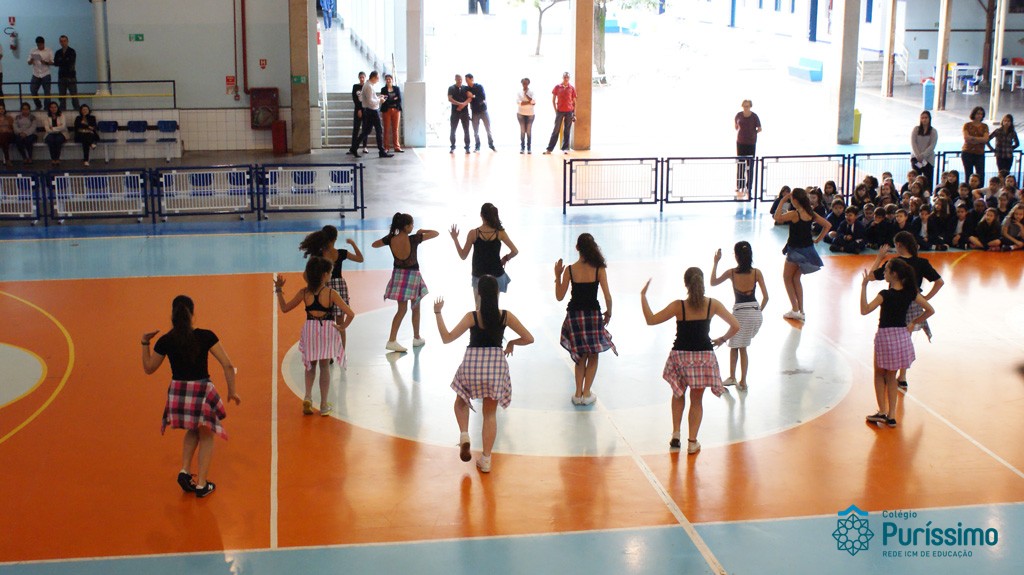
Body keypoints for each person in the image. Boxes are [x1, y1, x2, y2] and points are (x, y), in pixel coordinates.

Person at [141, 295, 240, 498]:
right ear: (193, 314)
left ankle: (185, 471)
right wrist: (232, 391)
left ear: (172, 315)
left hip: (178, 392)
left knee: (193, 429)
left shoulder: (166, 340)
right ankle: (202, 485)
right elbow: (228, 365)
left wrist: (144, 342)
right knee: (207, 435)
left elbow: (149, 368)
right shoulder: (206, 336)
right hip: (200, 391)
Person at [434, 275, 533, 473]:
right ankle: (486, 459)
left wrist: (438, 313)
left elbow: (447, 338)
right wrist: (512, 343)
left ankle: (464, 435)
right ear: (497, 292)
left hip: (472, 364)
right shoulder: (506, 316)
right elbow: (529, 338)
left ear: (479, 293)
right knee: (489, 414)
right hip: (495, 365)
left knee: (461, 400)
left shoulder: (472, 316)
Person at [641, 269, 739, 454]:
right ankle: (692, 442)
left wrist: (643, 297)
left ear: (686, 284)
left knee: (678, 394)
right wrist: (722, 339)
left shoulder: (679, 306)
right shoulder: (713, 304)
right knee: (697, 400)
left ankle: (676, 434)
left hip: (680, 356)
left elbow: (651, 320)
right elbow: (735, 325)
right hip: (704, 357)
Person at [274, 257, 355, 416]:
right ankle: (323, 405)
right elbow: (350, 313)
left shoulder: (304, 292)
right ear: (324, 275)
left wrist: (278, 290)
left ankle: (308, 397)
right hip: (327, 330)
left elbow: (284, 308)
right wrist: (342, 327)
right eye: (330, 273)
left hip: (310, 329)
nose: (331, 275)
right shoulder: (331, 293)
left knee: (310, 366)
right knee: (324, 367)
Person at [861, 259, 935, 428]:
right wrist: (914, 322)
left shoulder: (885, 295)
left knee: (879, 374)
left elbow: (864, 310)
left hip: (885, 336)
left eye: (886, 270)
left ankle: (882, 411)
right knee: (891, 376)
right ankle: (892, 415)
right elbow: (930, 310)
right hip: (902, 336)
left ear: (894, 274)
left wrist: (864, 286)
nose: (884, 273)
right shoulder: (910, 293)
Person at [868, 233, 944, 391]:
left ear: (899, 245)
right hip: (913, 303)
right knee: (905, 340)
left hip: (894, 303)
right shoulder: (922, 262)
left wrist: (879, 257)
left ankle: (890, 373)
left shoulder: (894, 264)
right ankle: (902, 376)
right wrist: (925, 298)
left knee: (890, 337)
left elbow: (871, 276)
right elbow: (939, 282)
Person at [554, 233, 616, 405]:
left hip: (574, 316)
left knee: (580, 356)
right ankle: (587, 393)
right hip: (592, 315)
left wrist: (557, 275)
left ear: (577, 248)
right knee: (593, 355)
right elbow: (608, 296)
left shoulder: (570, 270)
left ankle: (577, 393)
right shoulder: (599, 269)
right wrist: (609, 313)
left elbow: (559, 296)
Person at [372, 213, 439, 352]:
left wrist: (389, 238)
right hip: (413, 276)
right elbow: (435, 233)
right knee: (416, 307)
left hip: (398, 276)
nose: (413, 227)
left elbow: (374, 245)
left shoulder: (391, 239)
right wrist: (423, 231)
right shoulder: (414, 239)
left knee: (401, 310)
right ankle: (416, 337)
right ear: (406, 226)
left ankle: (392, 339)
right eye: (411, 225)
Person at [710, 242, 768, 391]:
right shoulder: (757, 272)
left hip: (740, 313)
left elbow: (713, 282)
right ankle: (742, 381)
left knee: (735, 346)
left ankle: (734, 378)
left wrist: (716, 262)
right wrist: (758, 311)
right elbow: (766, 297)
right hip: (755, 313)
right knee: (743, 346)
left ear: (736, 256)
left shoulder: (731, 273)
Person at [299, 225, 364, 349]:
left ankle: (327, 350)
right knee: (341, 323)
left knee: (327, 322)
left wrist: (314, 285)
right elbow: (360, 259)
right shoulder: (341, 253)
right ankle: (342, 351)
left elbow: (305, 275)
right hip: (340, 287)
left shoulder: (318, 255)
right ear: (335, 238)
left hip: (325, 288)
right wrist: (353, 244)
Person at [773, 187, 831, 321]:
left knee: (787, 278)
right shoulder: (811, 213)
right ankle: (801, 310)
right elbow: (827, 225)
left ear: (795, 200)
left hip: (795, 251)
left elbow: (777, 217)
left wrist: (782, 201)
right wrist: (818, 239)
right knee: (796, 279)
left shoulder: (794, 214)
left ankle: (795, 309)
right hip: (808, 250)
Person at [449, 202, 519, 301]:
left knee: (479, 308)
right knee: (493, 307)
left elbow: (463, 256)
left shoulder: (473, 233)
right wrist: (505, 258)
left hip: (479, 276)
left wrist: (455, 239)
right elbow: (515, 251)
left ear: (481, 215)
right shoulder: (500, 233)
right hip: (496, 276)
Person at [350, 71, 392, 158]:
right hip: (372, 111)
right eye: (378, 78)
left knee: (367, 131)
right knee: (378, 130)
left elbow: (367, 98)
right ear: (374, 77)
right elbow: (370, 101)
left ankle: (354, 147)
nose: (378, 80)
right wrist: (380, 100)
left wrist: (378, 97)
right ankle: (381, 151)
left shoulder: (368, 85)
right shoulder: (368, 86)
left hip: (370, 110)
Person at [543, 72, 576, 154]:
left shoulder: (571, 88)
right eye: (565, 77)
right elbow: (553, 100)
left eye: (567, 77)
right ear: (562, 77)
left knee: (567, 130)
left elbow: (574, 102)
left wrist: (574, 114)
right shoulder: (557, 87)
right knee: (556, 130)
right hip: (560, 111)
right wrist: (556, 110)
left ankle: (565, 148)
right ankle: (549, 149)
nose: (566, 79)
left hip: (569, 111)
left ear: (569, 78)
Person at [734, 100, 761, 197]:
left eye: (747, 106)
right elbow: (736, 127)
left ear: (750, 106)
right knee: (740, 164)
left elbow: (759, 128)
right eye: (744, 106)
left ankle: (749, 186)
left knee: (750, 165)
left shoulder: (754, 116)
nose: (746, 108)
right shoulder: (738, 115)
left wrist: (752, 134)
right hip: (740, 143)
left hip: (751, 143)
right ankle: (739, 185)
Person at [465, 73, 495, 152]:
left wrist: (473, 96)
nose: (466, 82)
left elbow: (483, 98)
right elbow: (467, 99)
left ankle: (491, 145)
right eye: (466, 81)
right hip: (474, 112)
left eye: (467, 80)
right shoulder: (467, 89)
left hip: (483, 111)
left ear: (472, 79)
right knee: (475, 131)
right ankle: (477, 146)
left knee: (488, 129)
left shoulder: (479, 86)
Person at [911, 111, 938, 189]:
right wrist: (918, 155)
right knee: (916, 178)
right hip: (916, 159)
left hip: (928, 159)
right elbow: (913, 143)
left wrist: (923, 155)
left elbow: (932, 145)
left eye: (926, 118)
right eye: (922, 118)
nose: (924, 120)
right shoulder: (916, 129)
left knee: (928, 180)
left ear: (929, 119)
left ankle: (927, 194)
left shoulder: (933, 131)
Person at [961, 106, 989, 180]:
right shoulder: (967, 125)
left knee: (980, 175)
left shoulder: (985, 126)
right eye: (978, 113)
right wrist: (979, 139)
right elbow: (966, 138)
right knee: (968, 174)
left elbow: (985, 139)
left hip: (979, 153)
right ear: (974, 114)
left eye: (981, 114)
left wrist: (973, 138)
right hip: (967, 152)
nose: (979, 115)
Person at [27, 36, 53, 110]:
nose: (39, 46)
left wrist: (45, 62)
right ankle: (38, 105)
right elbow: (28, 62)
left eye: (40, 45)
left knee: (47, 92)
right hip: (36, 74)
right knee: (32, 90)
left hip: (46, 73)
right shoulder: (33, 50)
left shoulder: (49, 50)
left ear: (43, 43)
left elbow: (52, 62)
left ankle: (47, 108)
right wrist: (31, 60)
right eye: (38, 45)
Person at [53, 35, 78, 110]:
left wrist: (61, 61)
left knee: (74, 95)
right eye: (61, 41)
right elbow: (56, 63)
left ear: (67, 41)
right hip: (61, 76)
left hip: (71, 77)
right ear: (59, 42)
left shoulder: (72, 51)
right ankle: (62, 111)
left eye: (64, 41)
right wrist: (64, 61)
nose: (63, 43)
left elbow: (70, 62)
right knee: (61, 96)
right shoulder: (58, 52)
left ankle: (77, 110)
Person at [447, 74, 471, 154]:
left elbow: (470, 98)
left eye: (461, 79)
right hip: (455, 112)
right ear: (455, 79)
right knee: (453, 130)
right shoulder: (451, 88)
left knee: (466, 130)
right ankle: (452, 147)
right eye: (458, 79)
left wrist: (463, 105)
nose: (459, 81)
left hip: (465, 112)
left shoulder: (466, 88)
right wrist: (459, 104)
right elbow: (450, 99)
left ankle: (467, 147)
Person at [380, 74, 404, 153]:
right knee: (386, 129)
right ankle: (386, 147)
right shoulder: (383, 89)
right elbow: (384, 101)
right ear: (385, 80)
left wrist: (391, 100)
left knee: (395, 129)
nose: (388, 80)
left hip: (396, 110)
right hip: (386, 110)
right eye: (387, 79)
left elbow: (399, 100)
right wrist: (394, 99)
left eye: (389, 79)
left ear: (392, 80)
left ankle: (397, 147)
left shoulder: (397, 88)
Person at [346, 72, 366, 156]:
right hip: (358, 109)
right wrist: (359, 109)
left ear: (365, 78)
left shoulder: (367, 86)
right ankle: (353, 147)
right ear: (358, 78)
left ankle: (364, 146)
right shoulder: (355, 86)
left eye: (363, 77)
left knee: (365, 129)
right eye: (360, 77)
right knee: (356, 129)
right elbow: (355, 98)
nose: (362, 79)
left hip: (366, 109)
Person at [43, 101, 67, 166]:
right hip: (50, 134)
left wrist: (53, 128)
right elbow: (47, 129)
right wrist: (57, 128)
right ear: (49, 108)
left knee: (58, 140)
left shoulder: (62, 116)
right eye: (52, 107)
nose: (53, 109)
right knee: (50, 140)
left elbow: (63, 127)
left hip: (61, 133)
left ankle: (57, 158)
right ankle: (53, 159)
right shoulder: (46, 117)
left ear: (57, 108)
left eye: (55, 107)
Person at [516, 77, 536, 154]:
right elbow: (519, 103)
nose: (524, 84)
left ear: (528, 83)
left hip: (530, 114)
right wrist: (529, 102)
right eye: (523, 83)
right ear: (521, 83)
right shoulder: (519, 92)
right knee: (522, 131)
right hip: (520, 114)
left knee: (528, 131)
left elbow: (533, 102)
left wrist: (526, 95)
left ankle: (529, 148)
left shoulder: (532, 92)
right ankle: (522, 147)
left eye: (526, 83)